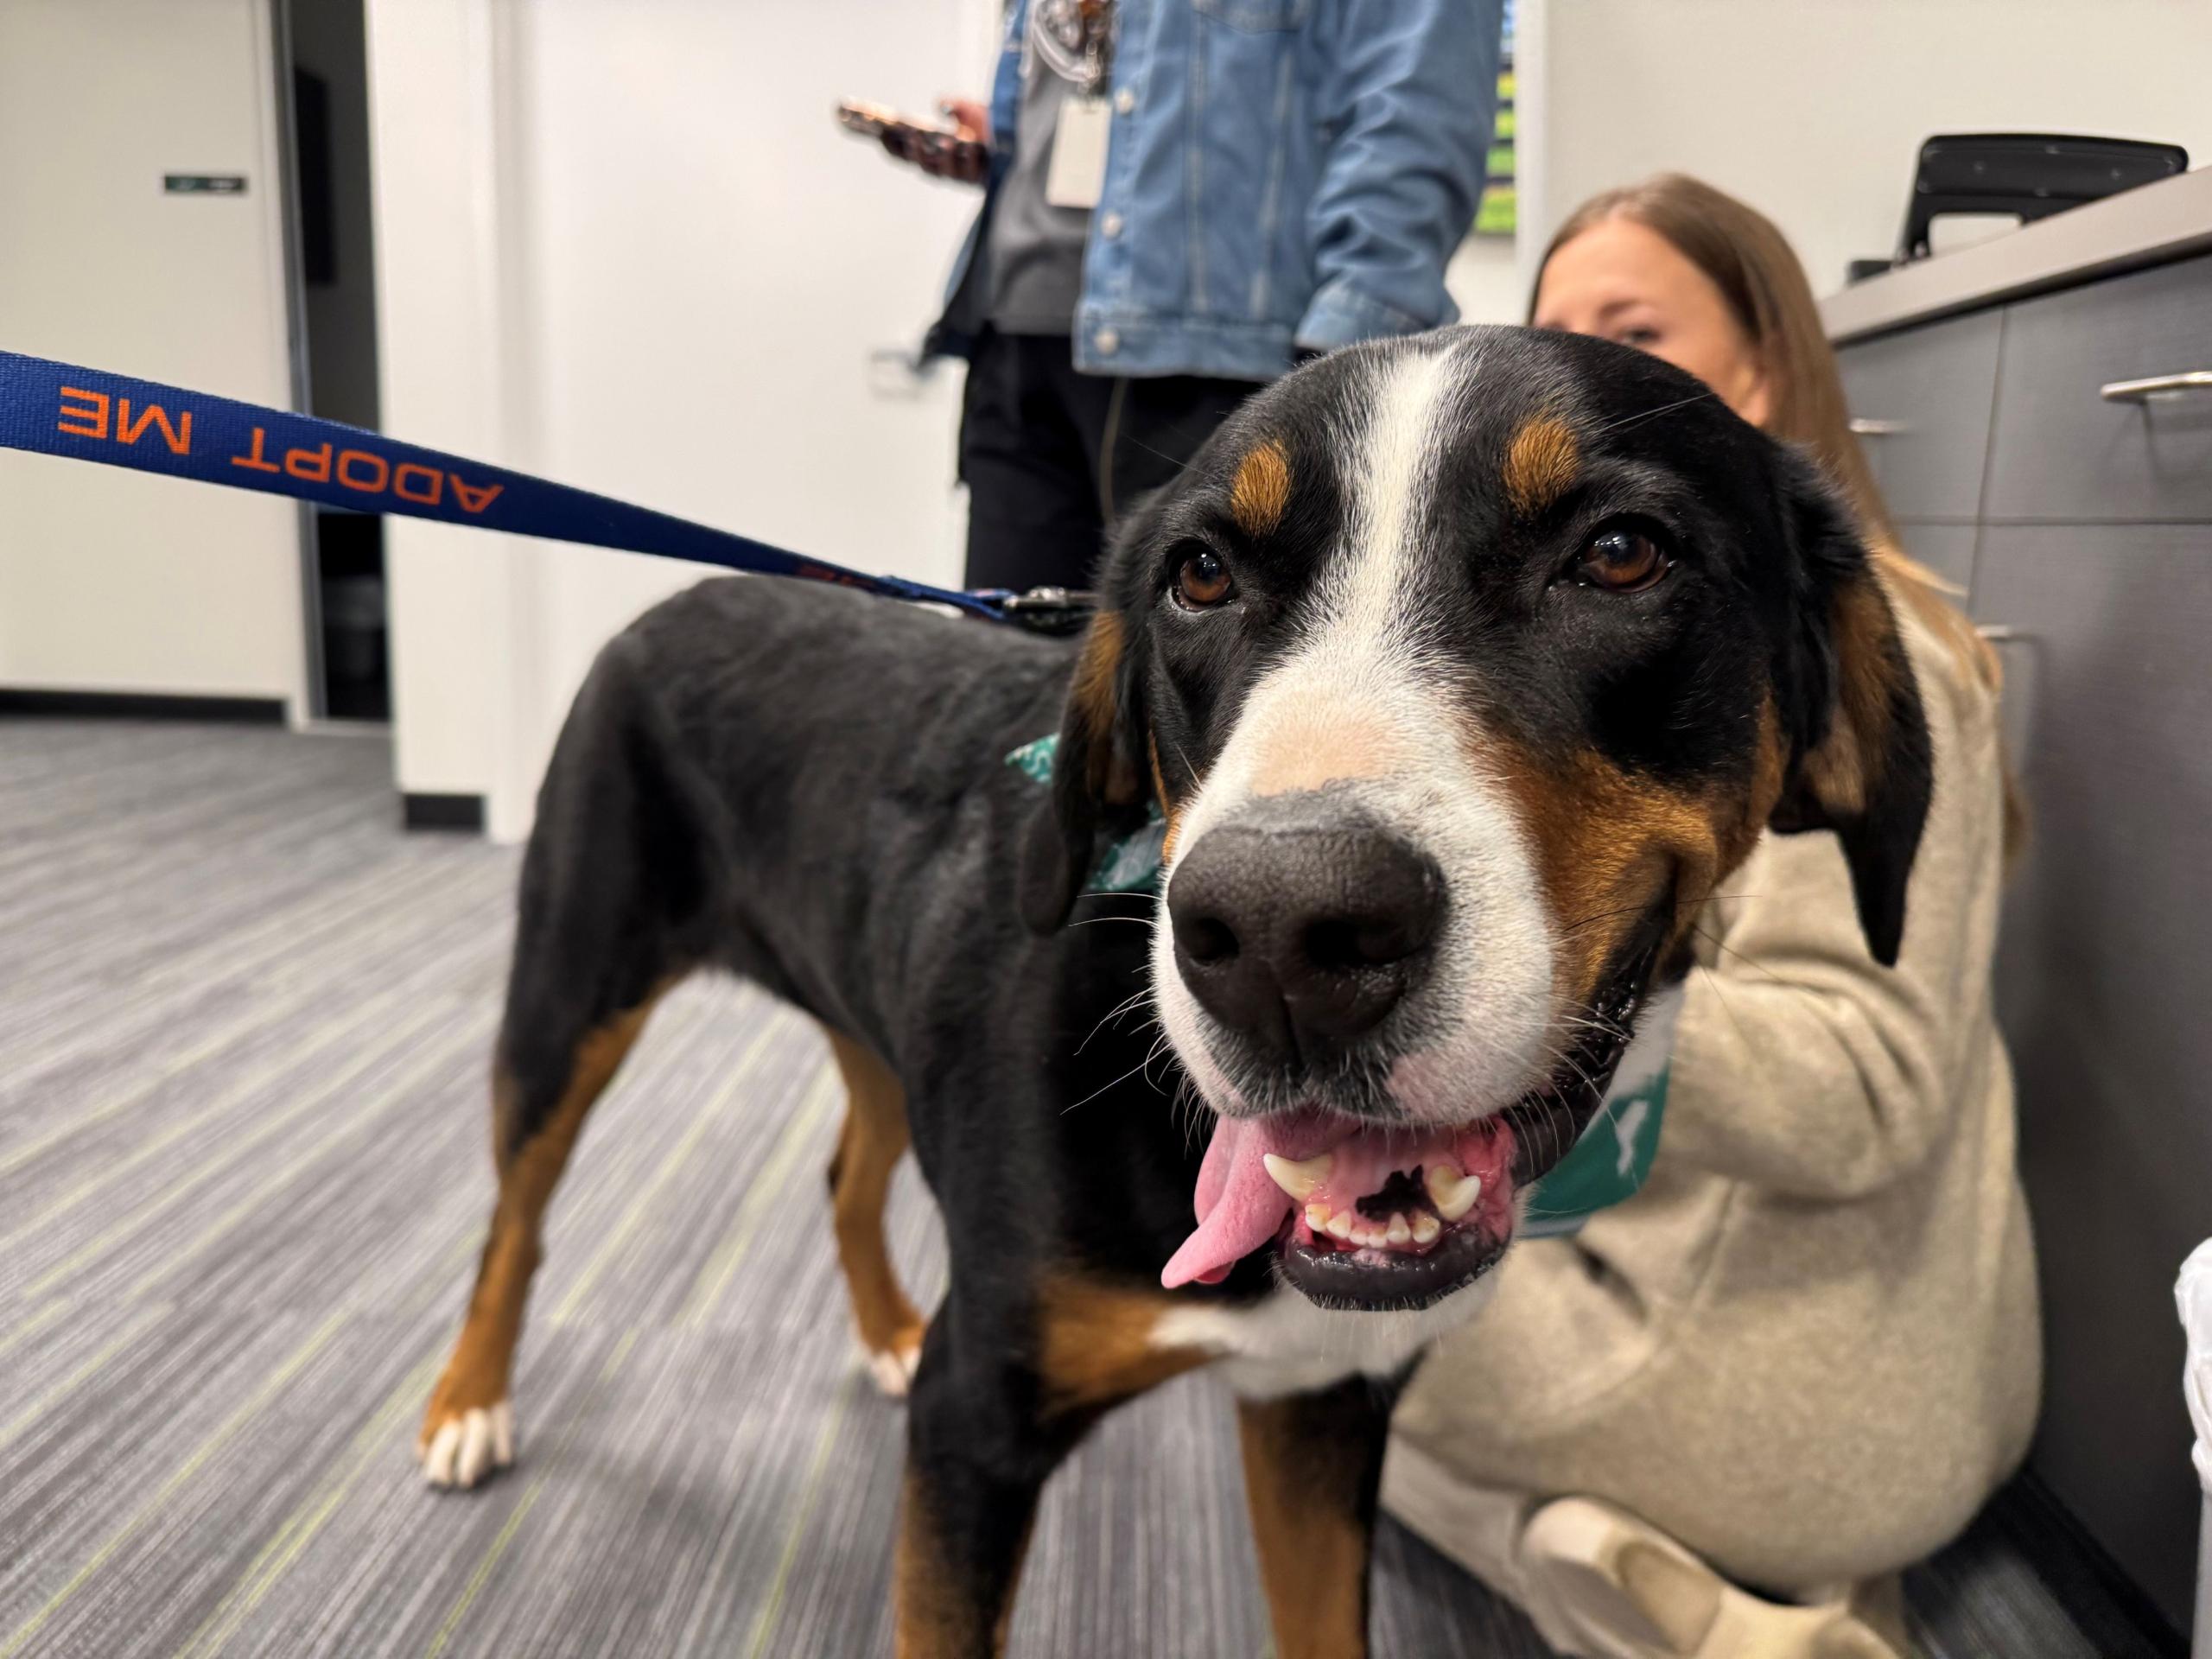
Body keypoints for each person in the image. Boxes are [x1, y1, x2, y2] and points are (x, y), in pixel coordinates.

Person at [1380, 175, 2041, 1659]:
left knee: (1302, 1333)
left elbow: (1860, 1086)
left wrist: (1519, 963)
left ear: (1765, 365)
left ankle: (1604, 1569)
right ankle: (1751, 1596)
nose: (1585, 369)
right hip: (1888, 1369)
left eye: (1637, 333)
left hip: (1781, 1383)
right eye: (1551, 335)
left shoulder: (1832, 651)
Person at [881, 0, 1502, 594]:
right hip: (1015, 335)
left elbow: (1419, 115)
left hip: (1227, 371)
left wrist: (1340, 379)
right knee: (1011, 674)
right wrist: (1014, 147)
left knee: (1202, 686)